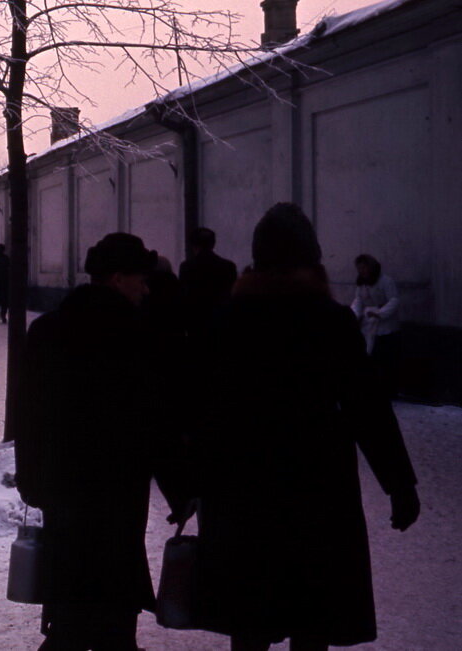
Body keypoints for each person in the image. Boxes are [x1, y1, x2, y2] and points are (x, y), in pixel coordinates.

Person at [192, 204, 419, 651]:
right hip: (316, 488)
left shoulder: (226, 320)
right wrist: (400, 485)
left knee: (249, 616)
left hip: (242, 486)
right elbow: (367, 407)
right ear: (310, 259)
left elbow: (200, 407)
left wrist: (191, 481)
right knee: (312, 615)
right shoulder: (330, 321)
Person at [16, 232, 187, 651]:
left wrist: (32, 479)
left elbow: (29, 413)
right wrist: (180, 488)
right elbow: (157, 422)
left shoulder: (46, 331)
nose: (145, 289)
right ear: (116, 279)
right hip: (118, 494)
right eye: (139, 279)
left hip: (63, 491)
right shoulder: (140, 336)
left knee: (71, 599)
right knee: (113, 603)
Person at [350, 254, 401, 395]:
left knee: (386, 359)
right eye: (359, 268)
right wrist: (353, 315)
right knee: (370, 356)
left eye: (364, 267)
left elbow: (394, 300)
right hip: (369, 326)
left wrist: (380, 312)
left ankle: (388, 389)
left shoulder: (386, 281)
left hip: (386, 327)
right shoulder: (362, 284)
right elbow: (358, 301)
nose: (362, 271)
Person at [178, 227, 238, 342]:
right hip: (221, 324)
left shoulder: (187, 267)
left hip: (196, 325)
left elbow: (184, 297)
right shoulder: (228, 267)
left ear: (193, 245)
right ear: (213, 244)